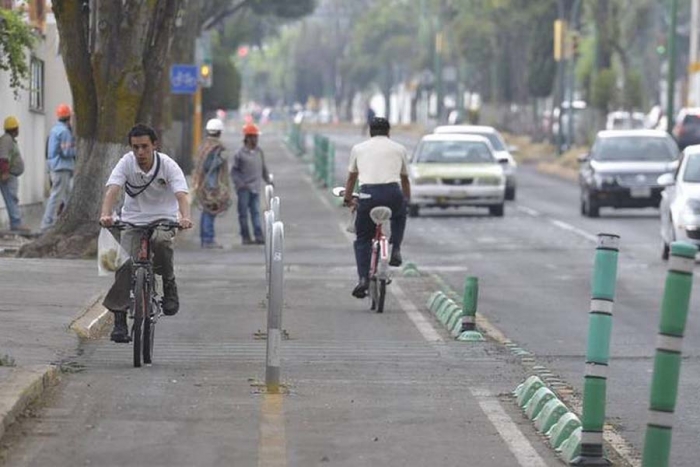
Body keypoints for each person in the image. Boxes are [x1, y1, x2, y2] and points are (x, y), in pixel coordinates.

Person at [99, 123, 193, 343]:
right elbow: (113, 189)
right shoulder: (126, 163)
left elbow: (181, 195)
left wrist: (185, 217)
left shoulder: (168, 165)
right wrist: (106, 214)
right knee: (122, 263)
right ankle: (120, 320)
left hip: (163, 218)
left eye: (144, 147)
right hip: (133, 220)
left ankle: (169, 284)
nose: (140, 153)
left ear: (154, 145)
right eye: (135, 148)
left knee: (162, 242)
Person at [342, 117, 411, 298]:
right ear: (389, 132)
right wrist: (406, 201)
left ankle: (363, 279)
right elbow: (404, 180)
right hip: (392, 194)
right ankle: (395, 248)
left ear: (370, 132)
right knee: (399, 214)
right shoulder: (399, 149)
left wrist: (348, 199)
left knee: (363, 238)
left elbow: (351, 178)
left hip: (368, 195)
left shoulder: (358, 149)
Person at [230, 122, 272, 245]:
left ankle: (259, 236)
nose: (256, 139)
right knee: (243, 214)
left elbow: (263, 168)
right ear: (247, 138)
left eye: (256, 137)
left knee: (256, 213)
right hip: (244, 189)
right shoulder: (239, 154)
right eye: (253, 137)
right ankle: (245, 237)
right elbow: (233, 172)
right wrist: (240, 184)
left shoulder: (259, 152)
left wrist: (268, 180)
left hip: (256, 188)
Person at [192, 118, 231, 248]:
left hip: (203, 183)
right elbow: (209, 165)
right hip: (211, 185)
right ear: (219, 132)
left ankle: (205, 238)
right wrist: (221, 159)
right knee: (210, 211)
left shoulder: (204, 145)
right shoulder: (215, 148)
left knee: (206, 211)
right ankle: (208, 239)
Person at [40, 104, 76, 232]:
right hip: (62, 167)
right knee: (56, 196)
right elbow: (66, 152)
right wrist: (77, 151)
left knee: (67, 196)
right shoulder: (64, 131)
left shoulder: (55, 129)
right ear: (68, 117)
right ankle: (47, 223)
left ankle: (66, 221)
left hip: (55, 166)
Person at [0, 116, 28, 232]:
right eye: (17, 128)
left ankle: (16, 223)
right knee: (12, 198)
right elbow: (3, 157)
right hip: (9, 175)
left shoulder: (9, 139)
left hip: (11, 174)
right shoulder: (6, 139)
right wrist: (5, 172)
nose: (18, 131)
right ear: (13, 128)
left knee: (12, 198)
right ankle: (16, 224)